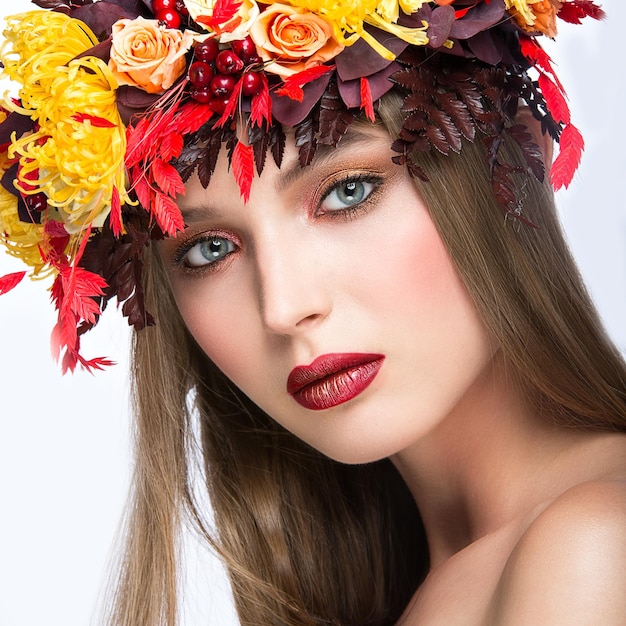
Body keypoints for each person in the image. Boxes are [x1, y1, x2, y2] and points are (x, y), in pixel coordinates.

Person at [0, 1, 624, 625]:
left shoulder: (589, 546)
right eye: (208, 249)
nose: (284, 308)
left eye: (347, 190)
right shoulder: (456, 569)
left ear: (518, 160)